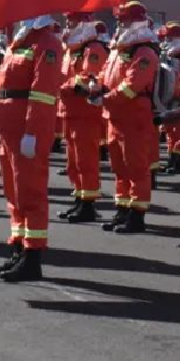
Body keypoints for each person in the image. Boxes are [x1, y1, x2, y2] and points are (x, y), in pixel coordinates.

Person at [0, 14, 63, 282]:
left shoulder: (47, 41)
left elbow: (43, 92)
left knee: (30, 191)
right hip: (9, 124)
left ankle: (33, 258)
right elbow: (7, 81)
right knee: (13, 191)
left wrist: (33, 132)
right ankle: (18, 248)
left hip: (27, 127)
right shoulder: (21, 39)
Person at [92, 0, 160, 234]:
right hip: (116, 116)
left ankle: (137, 215)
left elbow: (132, 86)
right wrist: (96, 87)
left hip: (134, 117)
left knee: (136, 168)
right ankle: (122, 209)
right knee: (119, 167)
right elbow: (105, 74)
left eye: (125, 20)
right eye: (120, 20)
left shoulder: (144, 52)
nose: (121, 24)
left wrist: (106, 98)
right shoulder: (120, 49)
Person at [54, 12, 108, 221]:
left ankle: (88, 205)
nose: (68, 24)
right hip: (70, 111)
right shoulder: (72, 50)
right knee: (73, 162)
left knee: (86, 160)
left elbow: (88, 79)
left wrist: (64, 86)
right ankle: (78, 198)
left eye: (73, 20)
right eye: (68, 20)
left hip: (85, 113)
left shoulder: (92, 49)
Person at [159, 22, 180, 175]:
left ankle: (179, 161)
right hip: (169, 95)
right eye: (166, 37)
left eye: (170, 37)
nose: (167, 40)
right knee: (170, 130)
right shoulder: (167, 52)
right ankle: (172, 158)